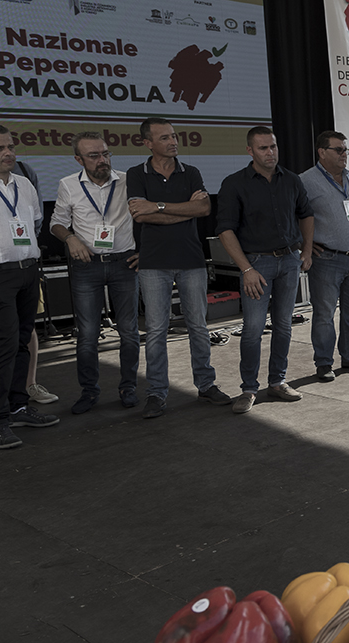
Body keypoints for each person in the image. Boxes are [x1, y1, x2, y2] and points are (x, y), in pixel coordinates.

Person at [127, 117, 232, 419]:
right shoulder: (137, 174)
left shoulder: (191, 172)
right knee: (157, 330)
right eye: (164, 138)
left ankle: (206, 384)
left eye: (174, 136)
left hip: (191, 261)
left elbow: (203, 209)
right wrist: (182, 210)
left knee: (198, 326)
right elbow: (139, 215)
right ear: (147, 143)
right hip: (153, 263)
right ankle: (157, 393)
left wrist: (157, 206)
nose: (173, 142)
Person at [215, 126, 314, 415]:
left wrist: (305, 252)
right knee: (253, 329)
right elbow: (225, 229)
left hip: (289, 261)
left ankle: (277, 381)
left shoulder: (292, 180)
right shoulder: (234, 184)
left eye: (273, 146)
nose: (270, 152)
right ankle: (248, 389)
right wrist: (246, 269)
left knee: (284, 325)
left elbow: (306, 214)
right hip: (257, 264)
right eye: (263, 148)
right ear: (250, 151)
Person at [0, 123, 60, 449]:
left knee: (22, 342)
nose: (8, 153)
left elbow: (35, 224)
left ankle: (18, 406)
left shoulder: (25, 184)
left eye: (10, 146)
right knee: (3, 343)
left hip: (28, 270)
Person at [50, 131, 140, 414]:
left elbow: (146, 216)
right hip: (86, 265)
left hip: (125, 263)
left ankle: (129, 386)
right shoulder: (68, 185)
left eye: (105, 153)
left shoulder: (128, 180)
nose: (102, 160)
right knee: (88, 333)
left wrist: (145, 250)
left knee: (129, 330)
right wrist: (70, 238)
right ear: (78, 159)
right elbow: (57, 223)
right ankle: (89, 392)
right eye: (94, 155)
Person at [299, 130, 349, 382]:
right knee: (324, 314)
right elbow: (294, 216)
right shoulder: (305, 181)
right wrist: (306, 245)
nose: (344, 155)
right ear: (322, 152)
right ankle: (323, 363)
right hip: (327, 260)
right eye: (339, 150)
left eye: (346, 150)